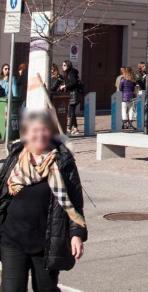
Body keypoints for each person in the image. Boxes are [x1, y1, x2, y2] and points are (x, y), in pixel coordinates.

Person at [0, 111, 86, 291]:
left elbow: (75, 202)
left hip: (46, 242)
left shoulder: (63, 161)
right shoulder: (15, 156)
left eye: (45, 130)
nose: (40, 135)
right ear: (25, 133)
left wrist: (76, 234)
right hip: (12, 239)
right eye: (35, 130)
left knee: (46, 289)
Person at [60, 61, 81, 137]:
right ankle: (75, 128)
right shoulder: (67, 73)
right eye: (62, 65)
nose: (63, 66)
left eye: (64, 65)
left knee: (71, 112)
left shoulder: (71, 72)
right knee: (72, 112)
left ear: (68, 66)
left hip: (73, 94)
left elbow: (73, 82)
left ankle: (69, 129)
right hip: (71, 94)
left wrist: (65, 86)